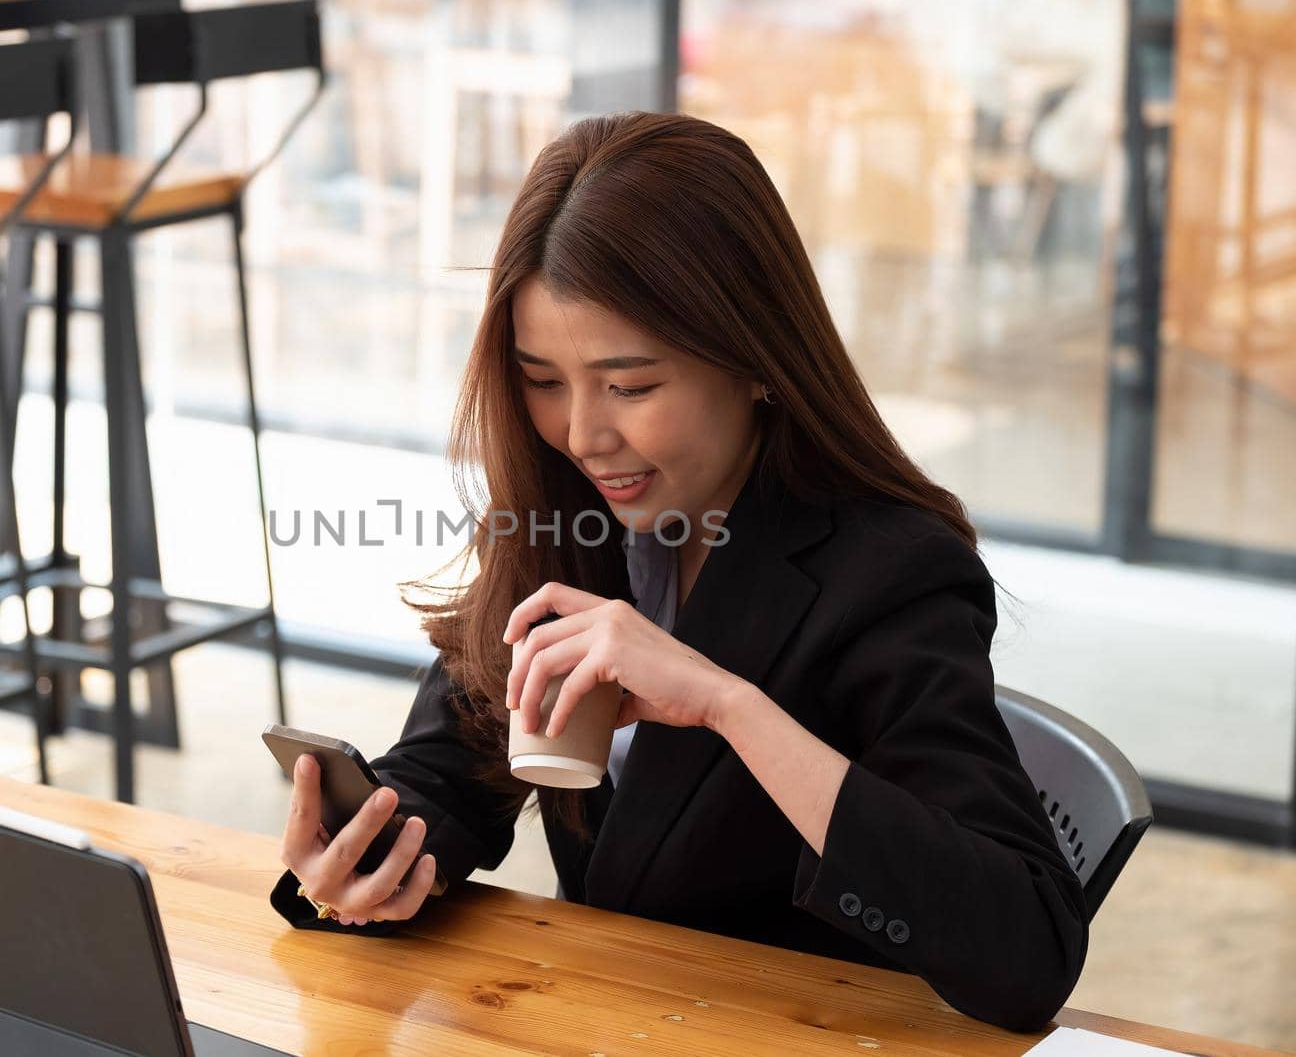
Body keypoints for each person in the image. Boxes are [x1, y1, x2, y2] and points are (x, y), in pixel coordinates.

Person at [270, 111, 1087, 1033]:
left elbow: (1028, 952)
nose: (583, 434)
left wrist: (728, 704)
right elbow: (451, 764)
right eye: (543, 379)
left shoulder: (891, 571)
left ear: (755, 361)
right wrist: (368, 858)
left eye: (630, 386)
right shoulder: (568, 510)